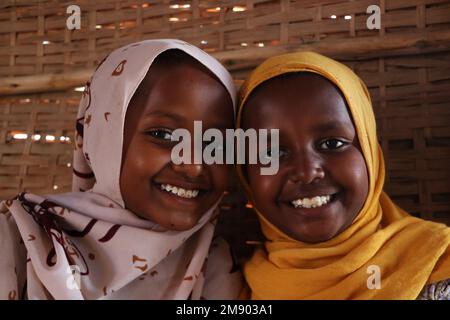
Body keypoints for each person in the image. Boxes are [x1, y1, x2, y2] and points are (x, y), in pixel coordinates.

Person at [0, 39, 242, 300]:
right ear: (104, 136)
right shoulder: (18, 238)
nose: (194, 166)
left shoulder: (214, 264)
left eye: (214, 143)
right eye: (164, 134)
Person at [236, 51, 450, 299]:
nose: (306, 172)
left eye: (332, 144)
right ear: (245, 174)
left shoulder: (437, 267)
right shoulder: (229, 288)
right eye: (272, 152)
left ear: (370, 151)